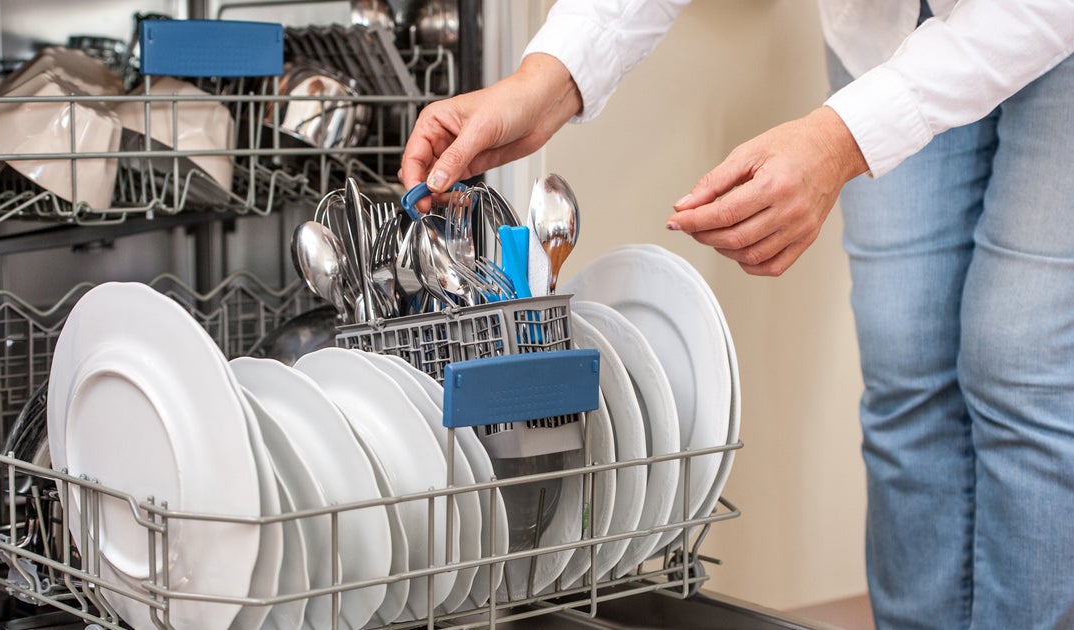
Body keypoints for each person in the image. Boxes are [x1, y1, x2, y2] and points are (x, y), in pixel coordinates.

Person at [399, 1, 1074, 628]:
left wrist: (843, 139)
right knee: (905, 364)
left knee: (1019, 367)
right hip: (881, 24)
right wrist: (549, 77)